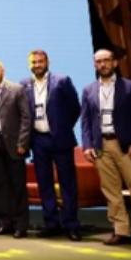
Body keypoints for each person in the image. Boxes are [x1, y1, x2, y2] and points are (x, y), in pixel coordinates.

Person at [82, 50, 131, 248]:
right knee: (111, 191)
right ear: (95, 65)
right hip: (101, 146)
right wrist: (87, 146)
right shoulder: (89, 90)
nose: (102, 64)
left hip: (126, 145)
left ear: (114, 63)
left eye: (106, 60)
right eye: (98, 61)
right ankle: (120, 230)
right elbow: (86, 121)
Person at [21, 50, 83, 241]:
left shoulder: (62, 81)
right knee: (44, 183)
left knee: (67, 183)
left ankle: (71, 224)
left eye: (40, 61)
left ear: (47, 62)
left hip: (60, 138)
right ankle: (51, 223)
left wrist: (62, 127)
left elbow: (75, 108)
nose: (37, 65)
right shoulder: (24, 84)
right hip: (38, 139)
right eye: (34, 62)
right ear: (30, 64)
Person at [0, 59, 33, 238]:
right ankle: (4, 223)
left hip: (14, 144)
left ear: (3, 70)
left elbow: (26, 118)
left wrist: (22, 143)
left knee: (17, 186)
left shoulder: (16, 89)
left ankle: (20, 225)